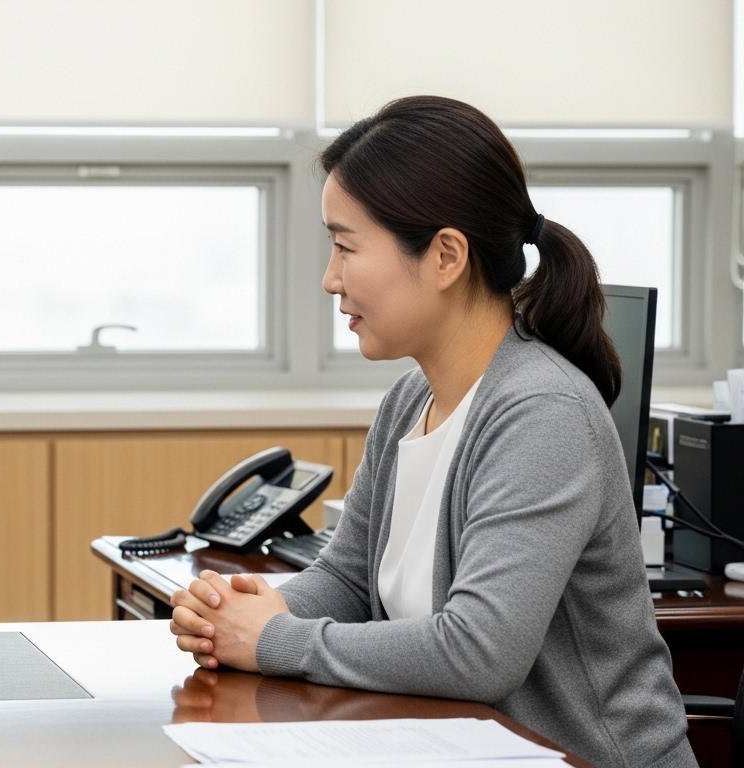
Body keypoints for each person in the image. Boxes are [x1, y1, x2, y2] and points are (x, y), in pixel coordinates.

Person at [169, 96, 693, 768]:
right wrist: (242, 613)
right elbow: (352, 583)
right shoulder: (411, 399)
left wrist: (272, 639)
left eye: (345, 246)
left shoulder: (543, 412)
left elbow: (479, 652)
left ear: (446, 256)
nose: (331, 279)